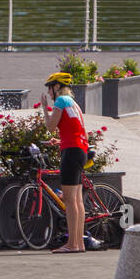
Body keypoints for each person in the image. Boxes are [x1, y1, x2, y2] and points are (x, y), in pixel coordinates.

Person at [40, 72, 94, 253]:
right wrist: (61, 142)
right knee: (77, 200)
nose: (48, 91)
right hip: (79, 150)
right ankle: (79, 243)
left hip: (71, 153)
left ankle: (72, 244)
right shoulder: (74, 103)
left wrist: (44, 108)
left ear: (57, 87)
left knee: (70, 201)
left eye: (50, 87)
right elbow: (77, 130)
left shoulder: (60, 101)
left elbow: (50, 126)